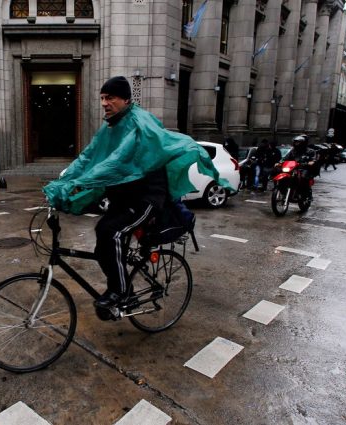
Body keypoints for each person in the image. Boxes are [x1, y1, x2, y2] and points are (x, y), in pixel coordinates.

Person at [43, 76, 222, 313]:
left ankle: (120, 291)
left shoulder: (138, 123)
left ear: (127, 98)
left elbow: (116, 162)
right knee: (102, 240)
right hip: (122, 199)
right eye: (103, 98)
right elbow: (87, 157)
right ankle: (119, 288)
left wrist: (78, 183)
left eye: (111, 98)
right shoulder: (110, 127)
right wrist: (61, 182)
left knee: (111, 232)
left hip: (146, 198)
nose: (105, 103)